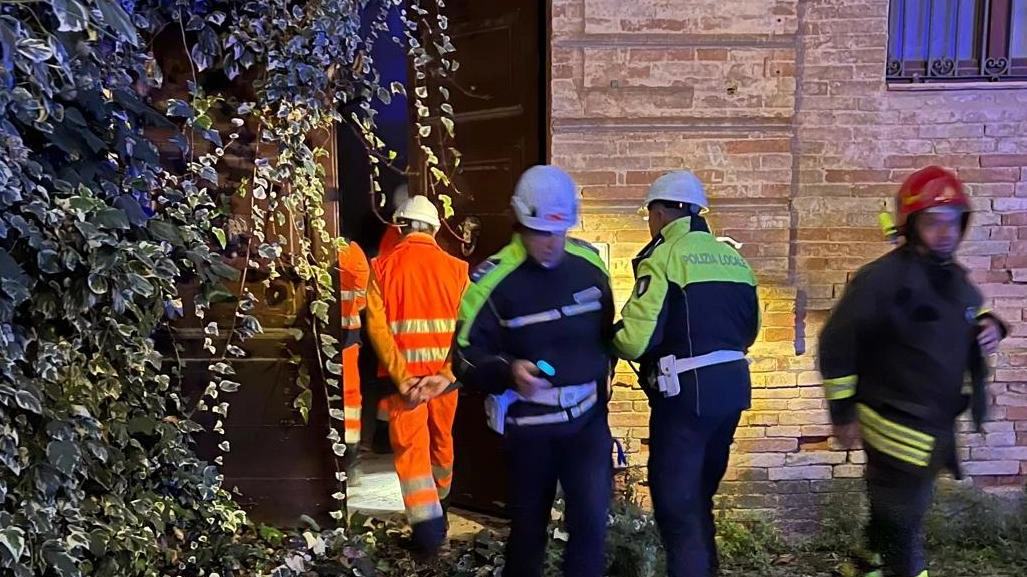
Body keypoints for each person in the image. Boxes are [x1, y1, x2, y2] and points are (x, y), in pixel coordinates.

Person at [818, 166, 1007, 577]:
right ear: (910, 224)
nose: (946, 233)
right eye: (934, 222)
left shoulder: (949, 276)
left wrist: (990, 324)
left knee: (891, 516)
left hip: (931, 424)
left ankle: (859, 568)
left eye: (953, 222)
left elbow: (968, 307)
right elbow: (836, 342)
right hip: (894, 425)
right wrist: (843, 413)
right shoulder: (881, 279)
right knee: (903, 528)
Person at [454, 165, 615, 577]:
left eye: (558, 232)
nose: (550, 244)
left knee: (591, 531)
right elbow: (465, 358)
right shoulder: (491, 281)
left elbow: (606, 339)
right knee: (528, 534)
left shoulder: (590, 267)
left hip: (588, 426)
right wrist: (509, 370)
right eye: (540, 232)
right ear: (519, 221)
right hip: (530, 433)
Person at [611, 171, 759, 577]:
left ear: (659, 213)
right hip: (731, 391)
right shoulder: (733, 257)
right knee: (699, 499)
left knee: (676, 506)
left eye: (649, 215)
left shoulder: (665, 257)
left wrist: (606, 340)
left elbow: (634, 341)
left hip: (686, 398)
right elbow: (751, 330)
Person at [364, 195, 469, 557]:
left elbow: (377, 330)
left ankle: (428, 534)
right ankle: (442, 509)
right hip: (443, 384)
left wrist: (403, 377)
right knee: (442, 446)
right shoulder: (458, 270)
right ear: (435, 228)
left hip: (403, 387)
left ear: (400, 226)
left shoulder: (379, 268)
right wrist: (445, 372)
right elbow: (467, 331)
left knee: (412, 455)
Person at [336, 238, 370, 483]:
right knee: (349, 399)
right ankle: (351, 462)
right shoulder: (353, 251)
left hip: (310, 335)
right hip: (347, 335)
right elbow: (362, 300)